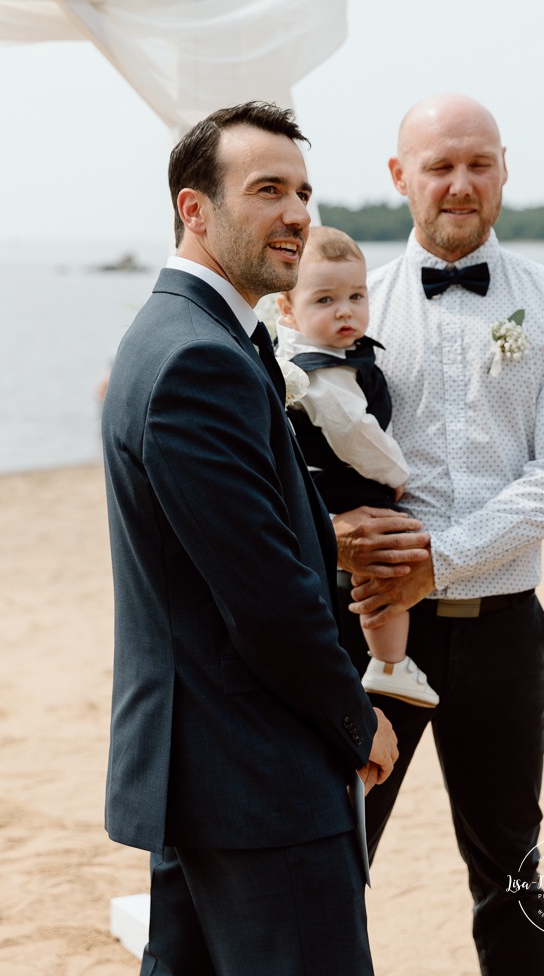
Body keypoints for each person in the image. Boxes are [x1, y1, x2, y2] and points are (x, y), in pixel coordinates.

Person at [100, 100, 398, 976]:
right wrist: (356, 720)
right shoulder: (198, 357)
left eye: (303, 191)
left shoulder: (188, 336)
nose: (298, 213)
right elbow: (265, 598)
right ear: (195, 209)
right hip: (256, 779)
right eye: (268, 190)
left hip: (204, 774)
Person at [332, 93, 544, 976]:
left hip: (502, 632)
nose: (458, 184)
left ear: (503, 170)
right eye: (438, 165)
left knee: (510, 867)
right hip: (366, 634)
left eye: (476, 164)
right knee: (335, 854)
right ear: (398, 174)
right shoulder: (342, 304)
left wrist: (435, 563)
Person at [275, 226, 439, 708]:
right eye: (324, 300)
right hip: (346, 489)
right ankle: (390, 663)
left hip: (328, 487)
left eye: (355, 296)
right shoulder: (323, 374)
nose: (345, 310)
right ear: (287, 309)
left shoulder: (325, 356)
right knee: (389, 560)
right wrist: (396, 474)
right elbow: (358, 435)